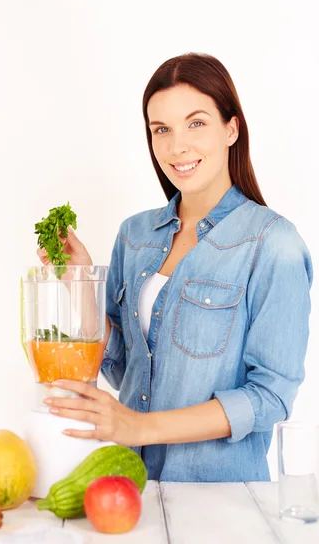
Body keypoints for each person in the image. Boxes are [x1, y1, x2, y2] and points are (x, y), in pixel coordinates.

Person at [36, 52, 313, 482]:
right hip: (129, 488)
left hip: (221, 503)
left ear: (231, 129)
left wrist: (140, 427)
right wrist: (81, 280)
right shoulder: (135, 235)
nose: (176, 146)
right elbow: (126, 368)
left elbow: (270, 398)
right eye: (161, 129)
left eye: (196, 123)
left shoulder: (273, 244)